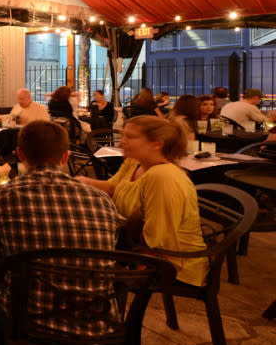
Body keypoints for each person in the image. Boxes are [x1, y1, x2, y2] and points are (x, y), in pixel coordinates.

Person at [0, 121, 119, 345]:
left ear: (20, 155)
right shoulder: (102, 201)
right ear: (66, 156)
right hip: (98, 323)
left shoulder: (1, 196)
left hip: (30, 319)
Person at [76, 116, 208, 286]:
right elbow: (112, 187)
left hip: (171, 266)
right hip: (134, 246)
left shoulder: (163, 176)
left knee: (79, 265)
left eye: (130, 137)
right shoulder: (135, 162)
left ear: (157, 143)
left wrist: (135, 281)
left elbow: (157, 239)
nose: (122, 142)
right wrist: (80, 181)